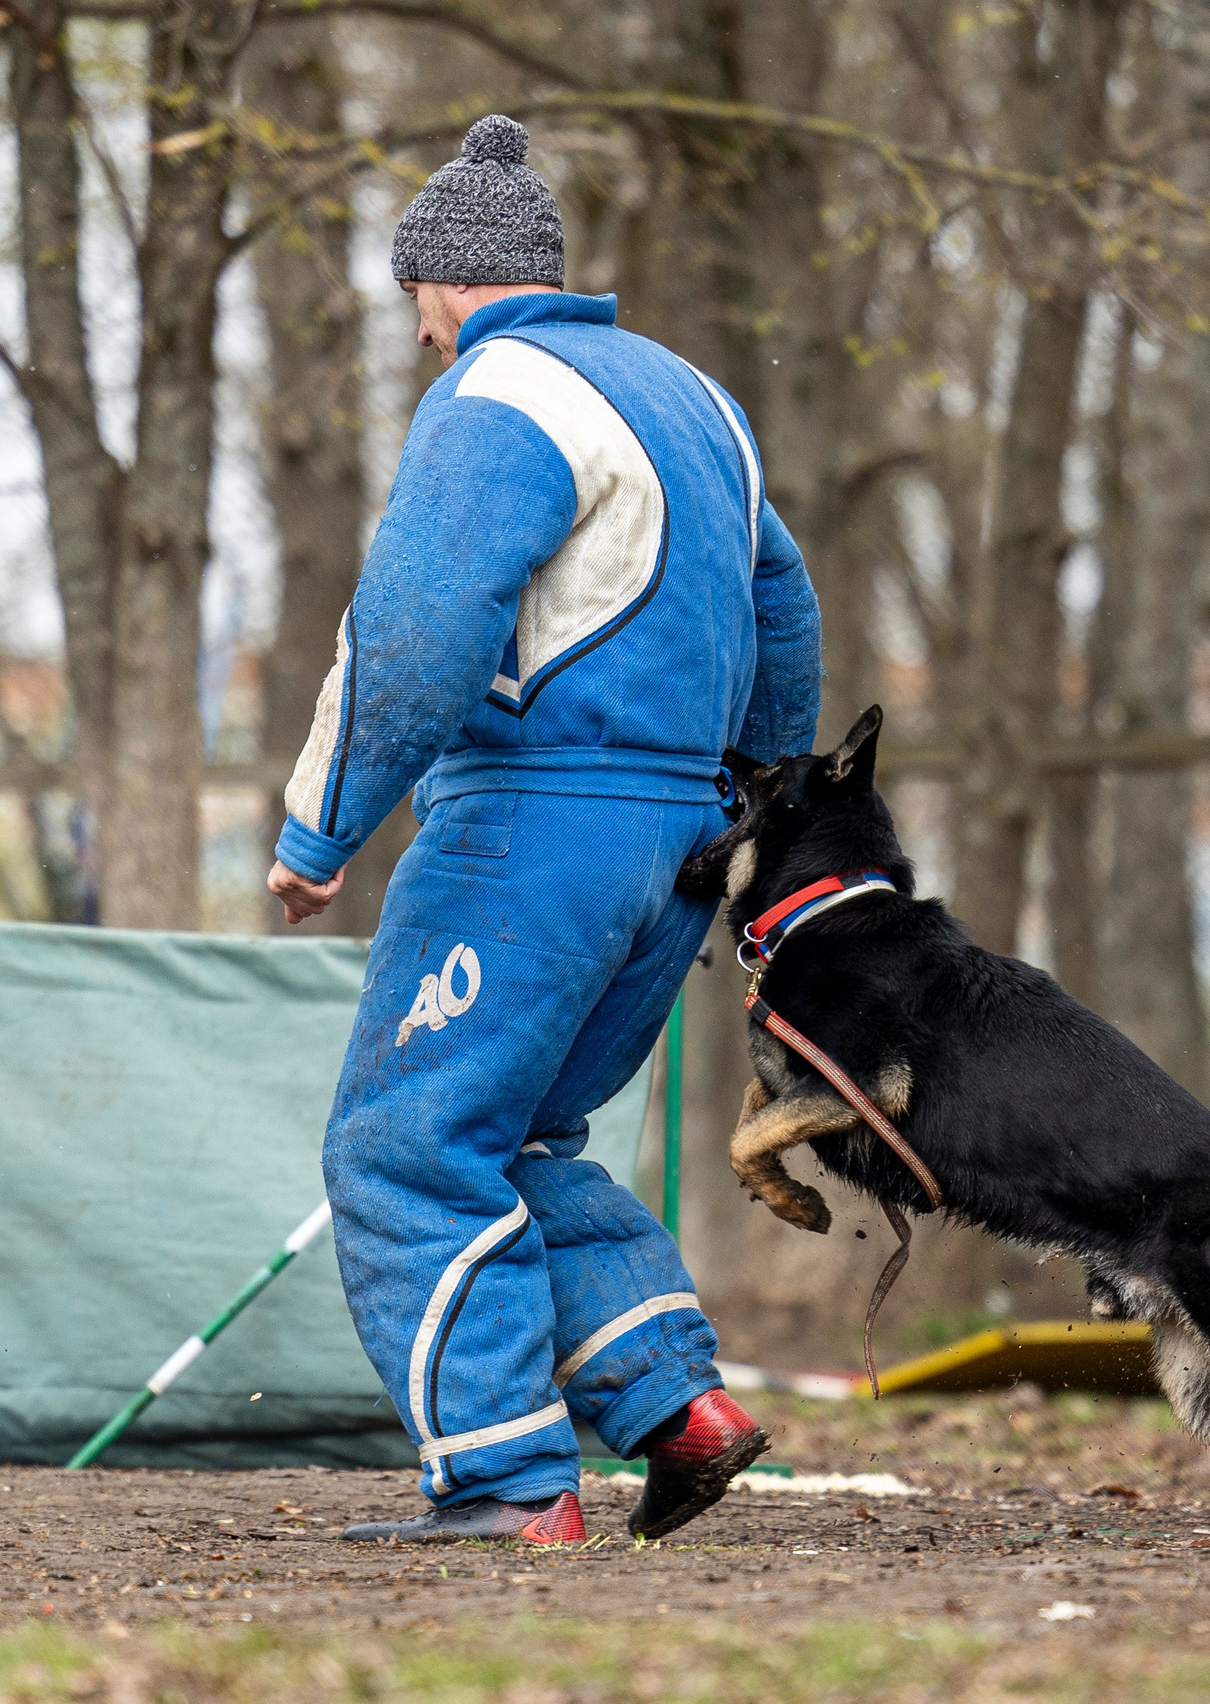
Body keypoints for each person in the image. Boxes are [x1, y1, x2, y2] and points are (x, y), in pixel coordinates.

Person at [267, 115, 821, 1546]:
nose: (419, 327)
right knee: (519, 1138)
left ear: (442, 286)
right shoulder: (699, 398)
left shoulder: (498, 389)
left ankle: (510, 1485)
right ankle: (672, 1403)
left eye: (416, 300)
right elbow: (785, 610)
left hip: (530, 833)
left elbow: (417, 626)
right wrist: (756, 795)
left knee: (402, 1147)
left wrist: (323, 825)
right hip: (678, 844)